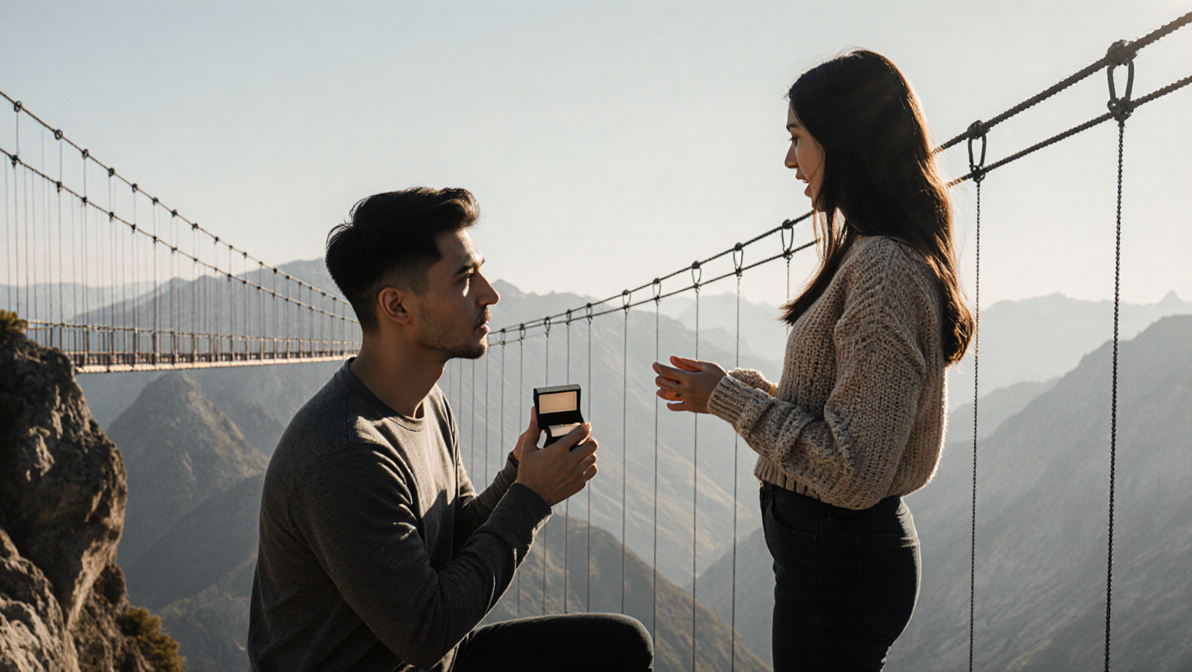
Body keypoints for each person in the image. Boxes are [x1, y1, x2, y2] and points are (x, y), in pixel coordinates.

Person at [653, 51, 973, 671]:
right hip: (831, 562)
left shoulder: (881, 270)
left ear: (844, 138)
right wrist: (735, 390)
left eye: (798, 138)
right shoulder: (869, 254)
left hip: (839, 564)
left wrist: (729, 399)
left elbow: (852, 471)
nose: (788, 159)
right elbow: (843, 412)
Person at [249, 187, 653, 672]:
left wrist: (517, 475)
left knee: (623, 645)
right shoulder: (345, 453)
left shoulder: (427, 401)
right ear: (397, 306)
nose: (490, 293)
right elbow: (426, 634)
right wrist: (532, 497)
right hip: (419, 653)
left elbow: (456, 531)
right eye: (465, 278)